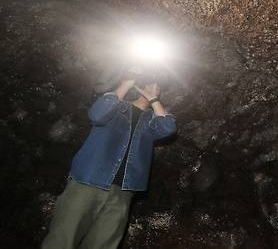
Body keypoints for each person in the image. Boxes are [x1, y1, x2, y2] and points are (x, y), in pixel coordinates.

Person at [42, 68, 177, 249]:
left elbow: (168, 128)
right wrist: (126, 83)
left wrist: (153, 99)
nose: (154, 88)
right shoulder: (116, 107)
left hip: (123, 192)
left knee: (103, 244)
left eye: (158, 87)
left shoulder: (152, 121)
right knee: (62, 240)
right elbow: (97, 114)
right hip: (88, 181)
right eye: (150, 84)